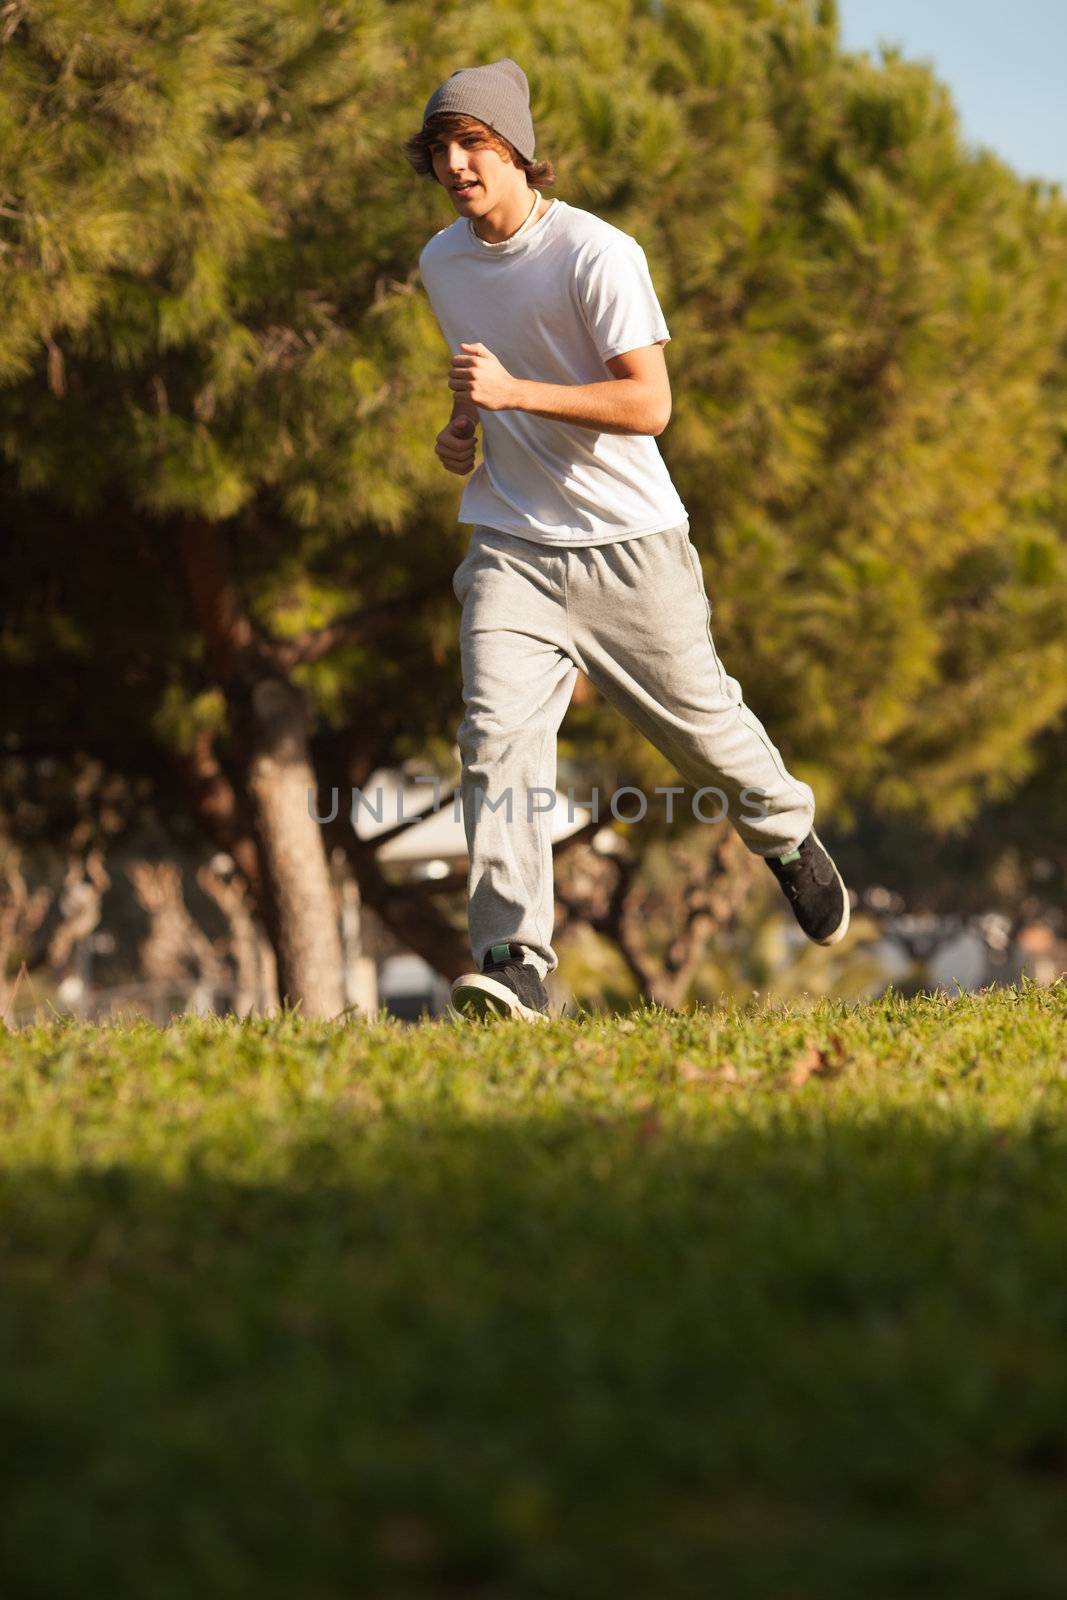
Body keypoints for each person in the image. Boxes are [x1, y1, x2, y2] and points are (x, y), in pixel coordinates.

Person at [402, 58, 849, 1023]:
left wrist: (515, 394)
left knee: (705, 733)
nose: (453, 162)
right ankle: (514, 958)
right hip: (510, 542)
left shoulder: (596, 254)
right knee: (494, 741)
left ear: (516, 150)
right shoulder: (443, 262)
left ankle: (779, 830)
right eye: (440, 146)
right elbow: (485, 381)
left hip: (628, 545)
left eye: (472, 142)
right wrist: (465, 431)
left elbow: (650, 404)